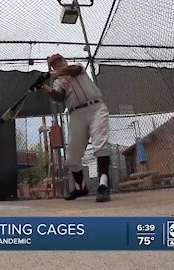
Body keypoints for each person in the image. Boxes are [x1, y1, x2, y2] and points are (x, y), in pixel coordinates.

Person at [39, 54, 111, 202]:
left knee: (100, 144)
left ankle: (103, 185)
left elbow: (74, 70)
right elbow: (59, 97)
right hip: (76, 114)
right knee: (71, 158)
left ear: (64, 60)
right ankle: (80, 187)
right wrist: (44, 86)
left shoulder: (77, 67)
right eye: (54, 64)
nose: (58, 64)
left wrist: (51, 74)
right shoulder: (58, 81)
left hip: (96, 108)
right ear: (52, 67)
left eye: (60, 61)